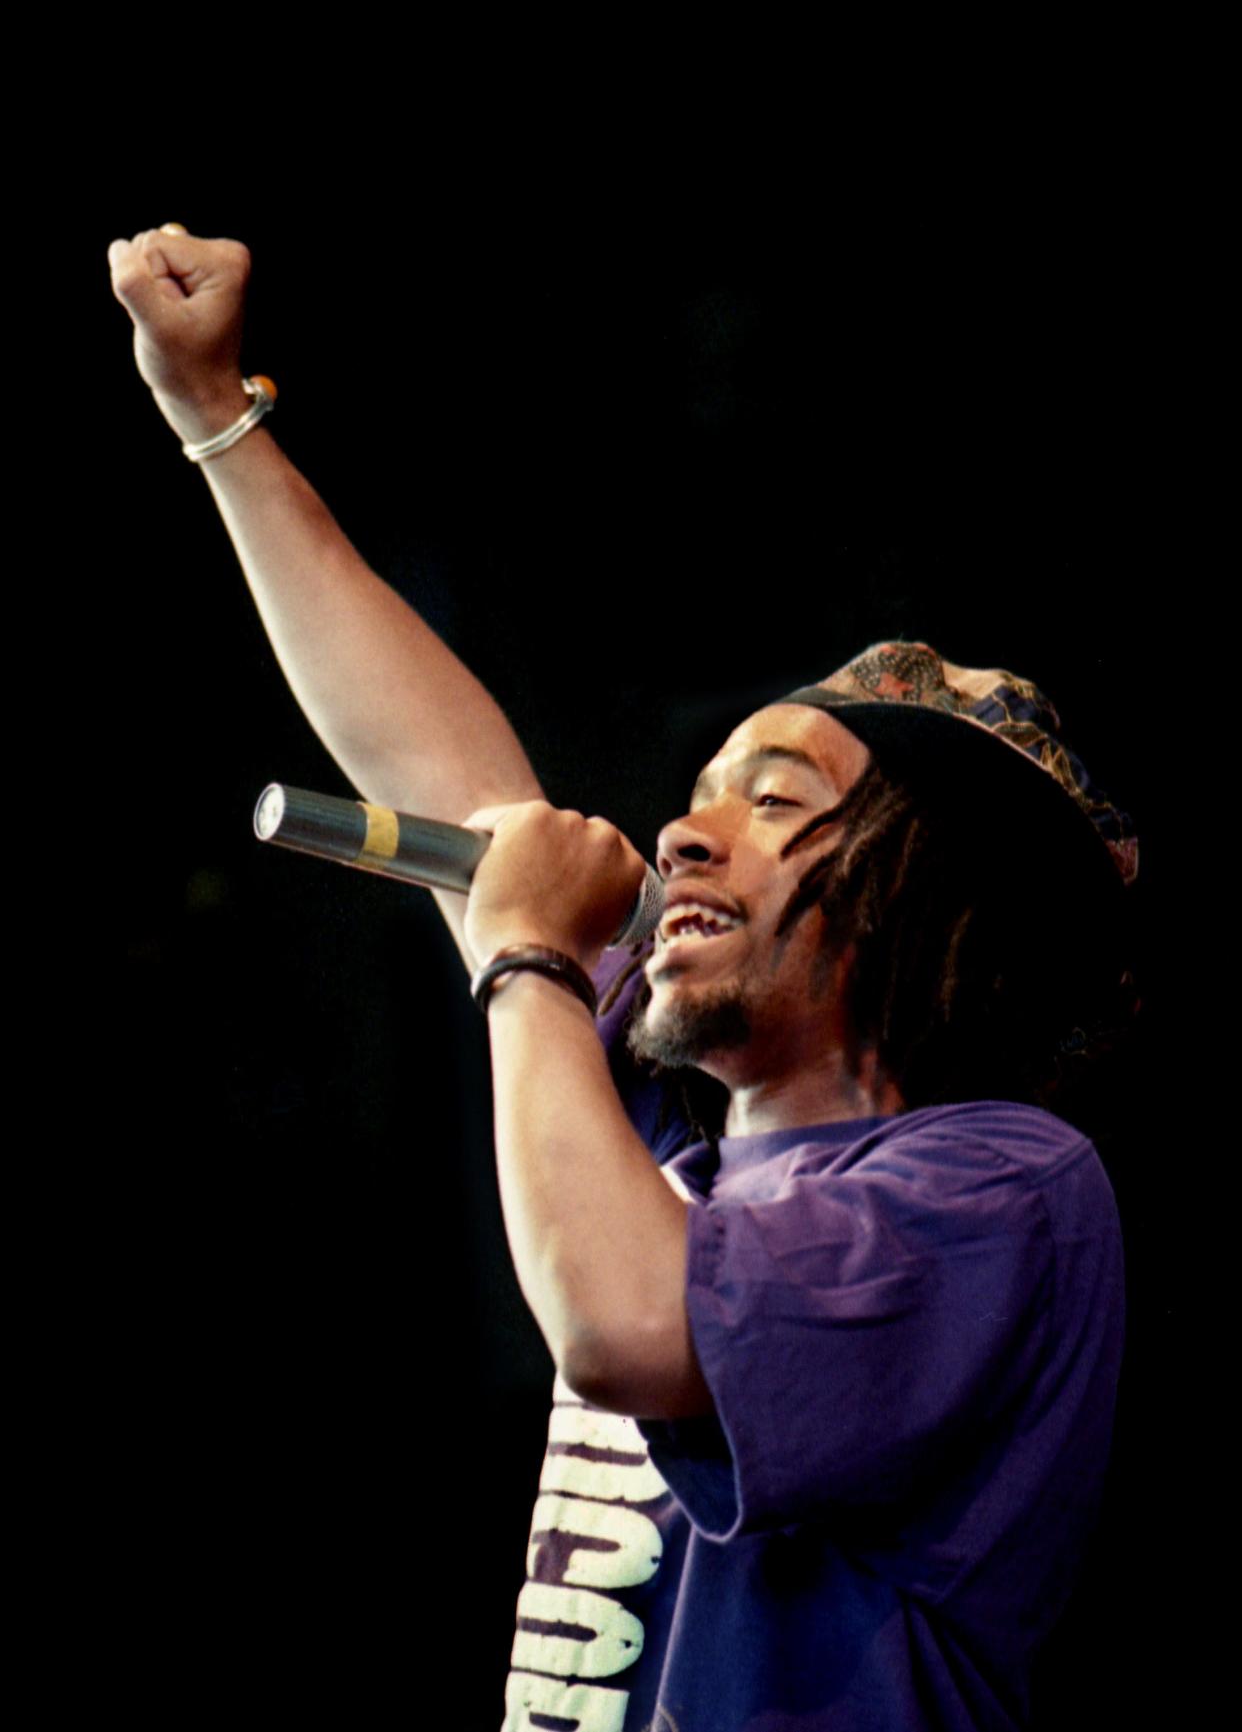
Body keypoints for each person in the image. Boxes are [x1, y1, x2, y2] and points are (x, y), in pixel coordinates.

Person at [110, 227, 1137, 1731]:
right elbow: (462, 793)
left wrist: (524, 957)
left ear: (935, 902)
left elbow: (630, 1325)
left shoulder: (996, 1188)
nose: (684, 828)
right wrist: (217, 418)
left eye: (775, 798)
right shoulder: (671, 1146)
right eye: (702, 790)